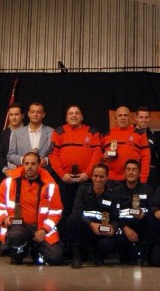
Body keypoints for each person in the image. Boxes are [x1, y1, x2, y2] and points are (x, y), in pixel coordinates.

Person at [0, 152, 63, 265]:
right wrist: (4, 218)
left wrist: (44, 230)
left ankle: (35, 250)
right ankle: (19, 254)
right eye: (27, 163)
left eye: (33, 163)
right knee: (16, 235)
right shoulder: (10, 182)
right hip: (19, 227)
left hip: (40, 229)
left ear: (39, 165)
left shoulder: (51, 185)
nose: (29, 166)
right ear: (23, 165)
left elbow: (56, 211)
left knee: (56, 258)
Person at [49, 104, 102, 256]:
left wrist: (87, 173)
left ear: (82, 117)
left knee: (86, 214)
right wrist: (61, 174)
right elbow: (53, 155)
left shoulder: (92, 132)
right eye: (70, 113)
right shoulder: (59, 132)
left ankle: (85, 248)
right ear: (66, 117)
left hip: (85, 181)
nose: (74, 116)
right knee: (65, 213)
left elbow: (97, 153)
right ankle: (66, 246)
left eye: (77, 113)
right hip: (65, 181)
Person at [68, 163, 119, 268]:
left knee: (109, 243)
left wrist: (112, 228)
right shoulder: (82, 190)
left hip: (101, 233)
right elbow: (77, 212)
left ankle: (98, 256)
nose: (98, 179)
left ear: (107, 178)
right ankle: (76, 257)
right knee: (73, 219)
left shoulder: (112, 195)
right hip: (84, 231)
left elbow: (115, 218)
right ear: (91, 177)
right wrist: (91, 224)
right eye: (95, 176)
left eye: (101, 177)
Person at [113, 159, 153, 265]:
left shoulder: (147, 189)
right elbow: (114, 214)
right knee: (127, 260)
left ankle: (145, 256)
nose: (131, 172)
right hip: (125, 228)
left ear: (139, 173)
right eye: (128, 169)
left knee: (152, 222)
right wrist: (125, 228)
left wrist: (144, 214)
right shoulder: (117, 191)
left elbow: (153, 210)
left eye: (134, 170)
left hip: (143, 227)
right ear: (124, 172)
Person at [101, 106, 151, 185]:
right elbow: (98, 156)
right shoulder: (106, 134)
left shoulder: (140, 134)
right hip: (110, 180)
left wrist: (143, 179)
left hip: (132, 180)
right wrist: (103, 156)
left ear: (130, 118)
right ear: (115, 118)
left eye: (125, 115)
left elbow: (146, 159)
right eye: (120, 115)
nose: (123, 118)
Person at [8, 102, 54, 168]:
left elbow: (56, 155)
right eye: (32, 112)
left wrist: (46, 160)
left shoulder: (52, 132)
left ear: (43, 114)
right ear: (29, 114)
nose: (35, 114)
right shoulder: (17, 133)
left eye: (38, 112)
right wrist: (23, 159)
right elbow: (10, 156)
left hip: (44, 174)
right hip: (23, 174)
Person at [0, 102, 25, 179]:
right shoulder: (4, 133)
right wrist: (5, 170)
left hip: (24, 174)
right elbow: (0, 155)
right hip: (7, 175)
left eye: (16, 114)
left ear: (22, 116)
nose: (13, 118)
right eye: (11, 115)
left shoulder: (28, 132)